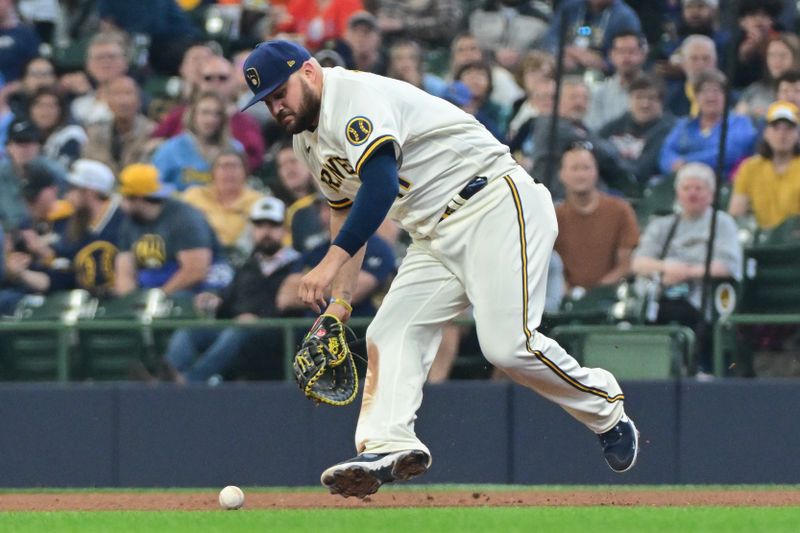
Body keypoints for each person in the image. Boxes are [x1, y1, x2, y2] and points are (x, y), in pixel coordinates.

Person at [241, 39, 640, 498]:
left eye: (279, 92)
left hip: (494, 202)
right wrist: (341, 303)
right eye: (267, 100)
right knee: (390, 331)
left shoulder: (352, 98)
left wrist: (329, 263)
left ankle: (606, 407)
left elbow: (380, 185)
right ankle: (387, 444)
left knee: (507, 347)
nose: (275, 105)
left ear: (308, 72)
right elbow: (344, 207)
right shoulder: (305, 140)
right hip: (434, 234)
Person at [162, 197, 304, 384]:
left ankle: (190, 381)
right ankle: (170, 377)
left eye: (273, 225)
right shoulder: (247, 267)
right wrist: (214, 300)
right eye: (260, 225)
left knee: (238, 331)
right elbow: (228, 303)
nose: (266, 232)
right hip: (237, 328)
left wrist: (259, 319)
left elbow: (295, 307)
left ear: (284, 230)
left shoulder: (297, 264)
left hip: (278, 333)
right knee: (190, 330)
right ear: (252, 230)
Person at [632, 162, 742, 373]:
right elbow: (639, 262)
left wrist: (687, 272)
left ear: (710, 194)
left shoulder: (722, 223)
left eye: (698, 189)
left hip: (703, 298)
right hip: (663, 295)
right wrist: (666, 268)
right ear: (677, 193)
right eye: (686, 188)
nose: (692, 194)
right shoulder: (662, 225)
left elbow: (726, 266)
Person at [114, 163, 228, 296]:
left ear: (138, 198)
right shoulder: (129, 222)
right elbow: (124, 271)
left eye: (125, 197)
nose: (121, 203)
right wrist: (131, 301)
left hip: (197, 282)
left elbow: (196, 270)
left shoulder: (185, 218)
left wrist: (158, 298)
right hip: (155, 280)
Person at [554, 142, 640, 291]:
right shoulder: (554, 218)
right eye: (574, 168)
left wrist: (595, 293)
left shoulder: (620, 210)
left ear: (596, 172)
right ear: (562, 174)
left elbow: (625, 265)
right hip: (564, 298)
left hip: (609, 298)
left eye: (586, 168)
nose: (581, 175)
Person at [659, 69, 757, 178]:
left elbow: (730, 152)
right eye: (705, 91)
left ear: (725, 95)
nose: (711, 96)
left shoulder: (741, 123)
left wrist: (688, 162)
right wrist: (672, 163)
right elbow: (666, 151)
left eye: (716, 90)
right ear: (696, 97)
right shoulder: (684, 125)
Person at [181, 150, 264, 264]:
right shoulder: (194, 195)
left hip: (243, 260)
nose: (229, 172)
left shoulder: (258, 201)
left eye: (234, 166)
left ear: (245, 172)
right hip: (198, 257)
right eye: (223, 166)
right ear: (212, 173)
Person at [729, 101, 800, 230]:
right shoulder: (750, 167)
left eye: (788, 128)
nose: (782, 134)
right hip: (761, 240)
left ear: (797, 133)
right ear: (766, 132)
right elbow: (736, 213)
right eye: (776, 127)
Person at [151, 92, 244, 191]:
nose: (211, 120)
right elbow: (155, 185)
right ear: (193, 115)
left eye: (217, 114)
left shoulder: (234, 148)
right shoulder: (171, 149)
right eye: (205, 113)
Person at [599, 74, 676, 186]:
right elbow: (596, 145)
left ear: (661, 102)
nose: (645, 104)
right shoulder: (617, 123)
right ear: (629, 99)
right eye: (639, 97)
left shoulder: (669, 128)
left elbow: (643, 169)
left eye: (651, 98)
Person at [82, 76, 156, 175]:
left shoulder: (153, 132)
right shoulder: (95, 133)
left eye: (128, 93)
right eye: (116, 94)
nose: (123, 101)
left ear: (139, 100)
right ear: (107, 101)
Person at [584, 31, 648, 131]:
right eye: (621, 52)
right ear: (611, 55)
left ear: (642, 55)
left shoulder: (654, 92)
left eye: (631, 52)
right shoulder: (599, 93)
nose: (626, 57)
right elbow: (593, 129)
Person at [736, 33, 800, 121]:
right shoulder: (755, 90)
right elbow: (738, 116)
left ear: (796, 58)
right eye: (772, 55)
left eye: (783, 55)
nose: (777, 61)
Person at [27, 87, 87, 169]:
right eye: (40, 105)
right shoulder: (26, 134)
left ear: (61, 110)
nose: (45, 111)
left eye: (51, 106)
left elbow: (64, 171)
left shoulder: (71, 134)